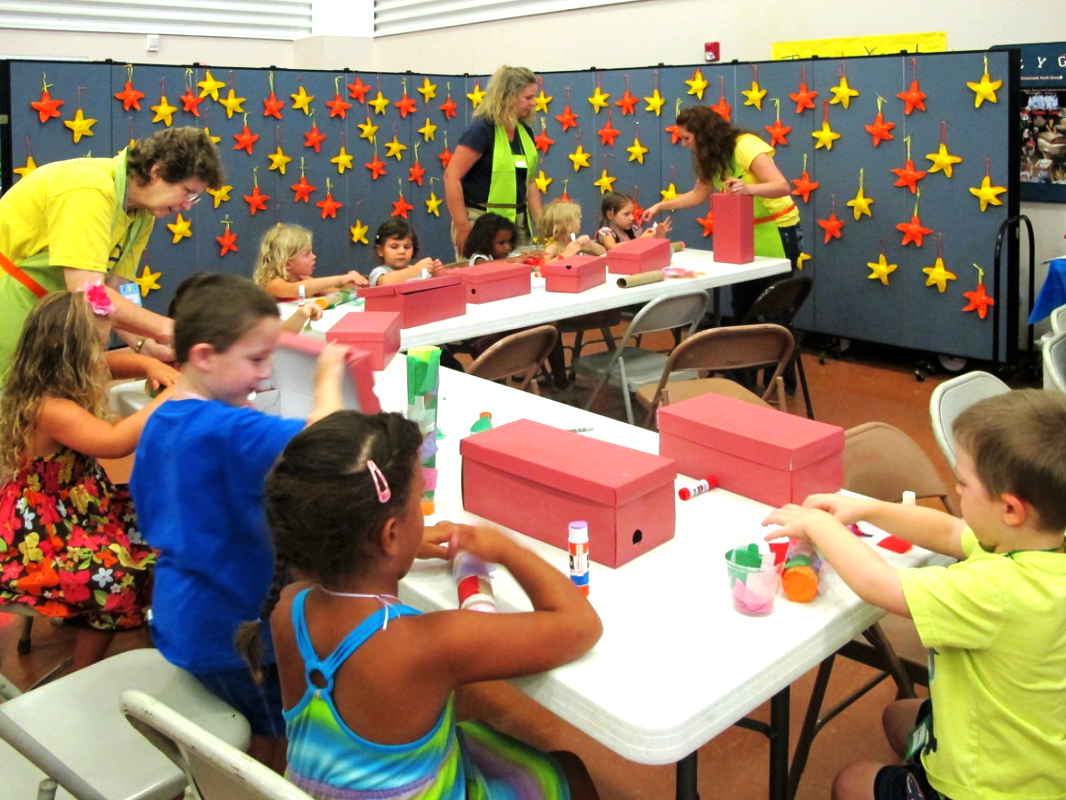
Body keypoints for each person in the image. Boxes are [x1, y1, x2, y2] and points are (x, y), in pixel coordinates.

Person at [242, 410, 603, 799]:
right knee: (570, 770)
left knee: (475, 734)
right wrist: (506, 549)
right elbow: (581, 624)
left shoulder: (287, 608)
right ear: (389, 533)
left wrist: (399, 550)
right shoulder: (429, 643)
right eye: (417, 501)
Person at [761, 389, 1066, 800]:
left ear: (1011, 509)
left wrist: (818, 527)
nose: (955, 492)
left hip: (985, 787)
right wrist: (866, 509)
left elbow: (880, 585)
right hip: (1036, 758)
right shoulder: (1038, 542)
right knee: (897, 718)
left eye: (962, 482)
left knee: (849, 782)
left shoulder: (998, 590)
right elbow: (950, 531)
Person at [129, 274, 351, 771]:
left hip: (183, 613)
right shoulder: (226, 427)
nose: (266, 373)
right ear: (205, 356)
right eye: (255, 360)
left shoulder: (161, 418)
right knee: (269, 742)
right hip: (233, 631)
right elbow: (327, 436)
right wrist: (328, 376)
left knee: (235, 724)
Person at [0, 287, 171, 670]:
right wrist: (175, 395)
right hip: (43, 528)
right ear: (72, 355)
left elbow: (109, 364)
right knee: (114, 574)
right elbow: (113, 443)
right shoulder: (50, 408)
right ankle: (83, 670)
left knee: (158, 526)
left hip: (81, 505)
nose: (99, 356)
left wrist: (147, 366)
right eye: (94, 347)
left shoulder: (59, 382)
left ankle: (146, 620)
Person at [0, 126, 225, 378]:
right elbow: (89, 293)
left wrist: (145, 345)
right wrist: (168, 328)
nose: (187, 206)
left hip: (46, 319)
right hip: (10, 305)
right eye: (188, 192)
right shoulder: (90, 189)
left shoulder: (142, 212)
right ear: (157, 172)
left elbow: (112, 293)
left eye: (195, 198)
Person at [642, 105, 801, 320]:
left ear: (703, 134)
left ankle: (776, 350)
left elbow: (782, 186)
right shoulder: (712, 158)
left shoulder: (745, 146)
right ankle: (742, 351)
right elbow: (698, 195)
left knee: (773, 308)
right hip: (744, 233)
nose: (684, 144)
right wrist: (660, 206)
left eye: (687, 138)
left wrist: (748, 189)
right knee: (742, 305)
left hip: (778, 230)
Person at [445, 65, 543, 257]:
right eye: (528, 97)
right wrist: (463, 226)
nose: (534, 103)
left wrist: (542, 223)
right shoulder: (481, 130)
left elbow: (529, 181)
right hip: (481, 221)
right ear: (508, 97)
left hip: (518, 224)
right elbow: (451, 177)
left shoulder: (526, 132)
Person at [253, 223, 367, 301]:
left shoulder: (304, 280)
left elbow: (334, 293)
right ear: (287, 263)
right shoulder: (272, 284)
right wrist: (341, 279)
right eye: (307, 254)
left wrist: (350, 286)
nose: (314, 257)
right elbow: (298, 290)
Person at [368, 219, 444, 287]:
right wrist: (415, 269)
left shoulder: (419, 271)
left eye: (407, 247)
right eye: (394, 247)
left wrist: (438, 275)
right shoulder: (379, 272)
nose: (402, 251)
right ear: (380, 250)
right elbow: (385, 282)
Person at [595, 192, 672, 251]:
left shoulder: (634, 230)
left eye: (632, 213)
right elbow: (612, 248)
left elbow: (648, 249)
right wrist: (641, 240)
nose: (632, 217)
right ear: (610, 215)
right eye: (626, 214)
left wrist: (659, 235)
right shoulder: (606, 232)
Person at [540, 199, 607, 260]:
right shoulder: (553, 246)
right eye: (577, 218)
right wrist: (564, 255)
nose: (580, 221)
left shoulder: (572, 243)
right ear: (566, 224)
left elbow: (603, 253)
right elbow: (541, 266)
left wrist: (590, 244)